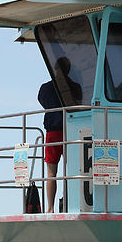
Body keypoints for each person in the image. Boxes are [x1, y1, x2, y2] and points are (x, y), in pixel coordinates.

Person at [37, 58, 81, 213]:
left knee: (51, 172)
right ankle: (72, 205)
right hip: (71, 131)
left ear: (55, 69)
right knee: (73, 170)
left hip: (52, 132)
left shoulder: (46, 88)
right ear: (69, 70)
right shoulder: (75, 87)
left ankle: (50, 208)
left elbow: (42, 102)